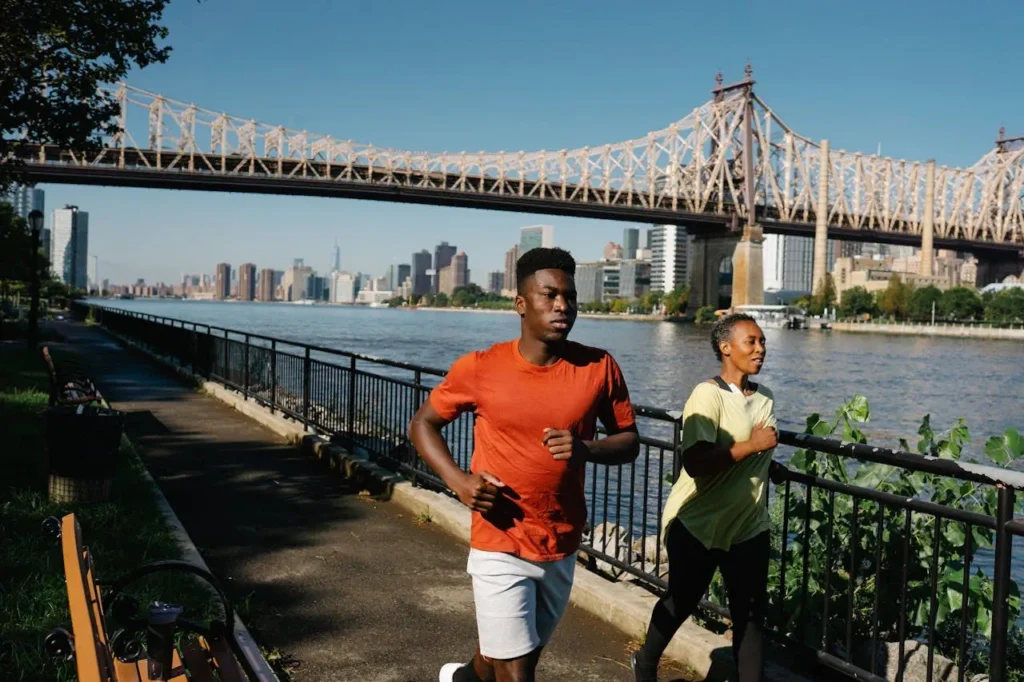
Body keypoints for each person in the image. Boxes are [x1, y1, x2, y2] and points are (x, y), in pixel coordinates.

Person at [409, 247, 640, 682]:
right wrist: (459, 482)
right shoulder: (481, 368)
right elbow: (423, 423)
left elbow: (629, 442)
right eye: (549, 295)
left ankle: (460, 679)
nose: (562, 306)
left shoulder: (598, 367)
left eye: (569, 297)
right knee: (517, 674)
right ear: (520, 303)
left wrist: (586, 448)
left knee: (507, 659)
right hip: (499, 537)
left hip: (561, 538)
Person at [631, 313, 782, 682]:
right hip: (699, 521)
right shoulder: (707, 394)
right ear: (726, 348)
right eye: (751, 342)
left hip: (748, 524)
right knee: (682, 600)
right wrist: (753, 446)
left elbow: (757, 448)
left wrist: (765, 462)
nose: (760, 349)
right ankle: (645, 662)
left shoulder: (765, 397)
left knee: (749, 615)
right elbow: (696, 462)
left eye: (762, 341)